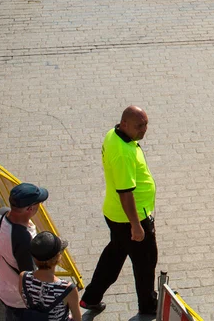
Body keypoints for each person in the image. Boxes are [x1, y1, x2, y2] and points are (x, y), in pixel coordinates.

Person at [80, 105, 158, 315]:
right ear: (124, 124)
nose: (144, 130)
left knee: (115, 254)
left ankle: (91, 297)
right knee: (146, 262)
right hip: (131, 218)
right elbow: (126, 193)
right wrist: (136, 226)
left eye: (146, 124)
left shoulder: (113, 134)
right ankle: (148, 306)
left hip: (114, 214)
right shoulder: (123, 154)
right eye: (139, 126)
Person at [0, 183, 49, 321]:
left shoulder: (0, 215)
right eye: (39, 203)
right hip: (19, 301)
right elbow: (29, 277)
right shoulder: (24, 240)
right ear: (30, 208)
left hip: (4, 289)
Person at [18, 231, 81, 321]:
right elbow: (77, 318)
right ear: (58, 257)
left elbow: (26, 302)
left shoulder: (23, 277)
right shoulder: (67, 288)